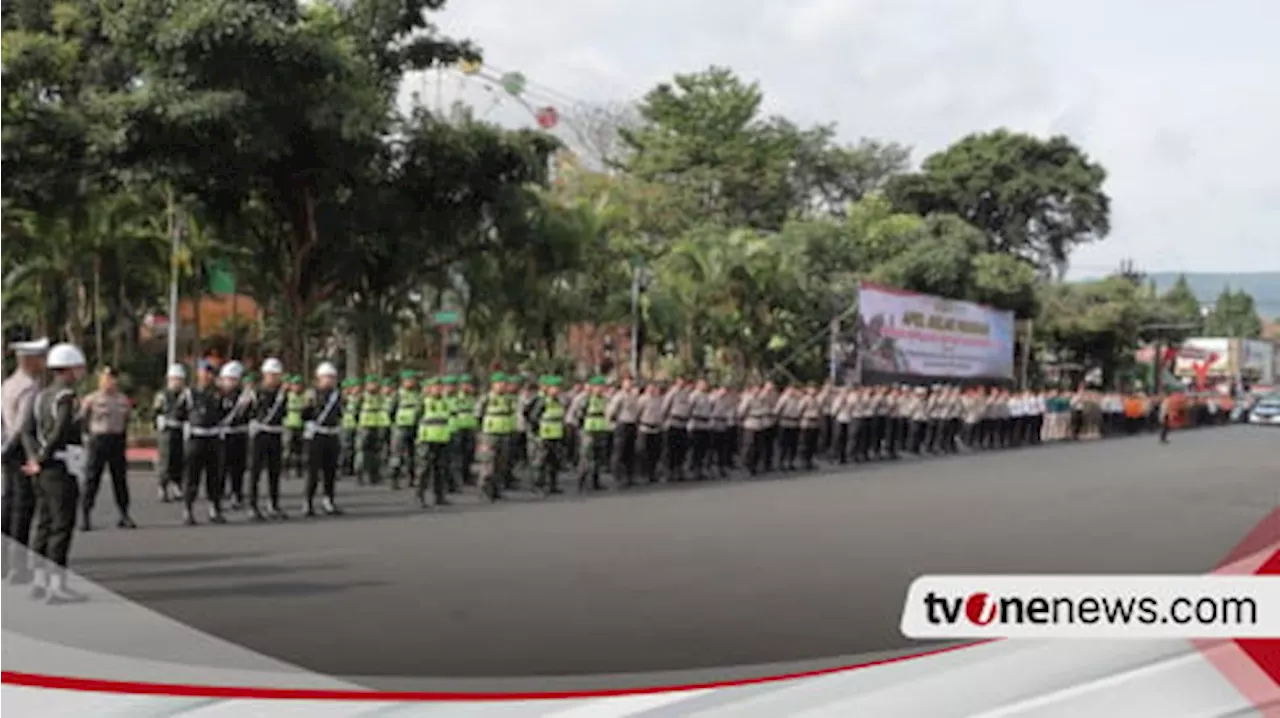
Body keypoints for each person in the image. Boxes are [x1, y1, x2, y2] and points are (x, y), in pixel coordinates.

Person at [20, 342, 89, 603]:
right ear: (69, 369)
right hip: (60, 466)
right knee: (62, 526)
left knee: (44, 524)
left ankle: (39, 581)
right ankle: (56, 585)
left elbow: (26, 430)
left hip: (42, 469)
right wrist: (42, 457)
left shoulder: (40, 395)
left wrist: (33, 456)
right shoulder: (66, 397)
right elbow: (60, 431)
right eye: (78, 367)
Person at [0, 337, 48, 584]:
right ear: (29, 361)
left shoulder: (8, 384)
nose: (43, 362)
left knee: (8, 505)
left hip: (8, 447)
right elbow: (22, 424)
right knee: (22, 508)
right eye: (40, 357)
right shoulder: (30, 386)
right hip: (20, 449)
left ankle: (7, 564)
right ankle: (18, 568)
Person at [79, 366, 135, 531]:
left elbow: (127, 420)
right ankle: (85, 515)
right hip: (98, 440)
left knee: (120, 479)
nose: (109, 381)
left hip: (116, 441)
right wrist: (86, 437)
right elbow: (82, 420)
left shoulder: (123, 400)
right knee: (91, 479)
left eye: (112, 378)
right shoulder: (91, 399)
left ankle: (124, 514)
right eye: (106, 378)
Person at [182, 360, 227, 525]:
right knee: (192, 476)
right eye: (203, 372)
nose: (207, 375)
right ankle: (188, 509)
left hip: (213, 437)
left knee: (214, 476)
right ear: (198, 373)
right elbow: (181, 413)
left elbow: (224, 413)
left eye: (210, 372)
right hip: (196, 437)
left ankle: (214, 508)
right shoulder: (189, 393)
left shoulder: (218, 394)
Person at [248, 358, 288, 520]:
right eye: (271, 375)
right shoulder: (256, 392)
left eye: (277, 375)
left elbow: (283, 413)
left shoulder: (282, 393)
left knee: (274, 471)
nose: (274, 378)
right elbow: (250, 412)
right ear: (265, 375)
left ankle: (273, 504)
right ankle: (253, 505)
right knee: (255, 472)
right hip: (260, 433)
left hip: (275, 433)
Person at [302, 363, 344, 516]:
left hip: (332, 434)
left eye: (332, 377)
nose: (329, 380)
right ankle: (308, 501)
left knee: (330, 470)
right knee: (313, 471)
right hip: (316, 435)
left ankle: (329, 500)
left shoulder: (337, 394)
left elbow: (340, 413)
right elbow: (304, 415)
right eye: (326, 377)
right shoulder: (312, 393)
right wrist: (309, 406)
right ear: (319, 378)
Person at [217, 361, 253, 510]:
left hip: (239, 434)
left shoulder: (245, 396)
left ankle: (236, 494)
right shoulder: (217, 395)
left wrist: (248, 403)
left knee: (238, 467)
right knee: (220, 468)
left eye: (233, 379)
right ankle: (217, 496)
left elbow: (250, 415)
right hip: (222, 435)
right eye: (227, 379)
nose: (229, 382)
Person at [153, 363, 190, 503]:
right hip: (167, 430)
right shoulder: (162, 395)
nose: (176, 382)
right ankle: (162, 485)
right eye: (174, 379)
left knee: (180, 458)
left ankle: (177, 484)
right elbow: (156, 411)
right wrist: (158, 420)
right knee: (166, 458)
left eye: (179, 379)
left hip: (180, 429)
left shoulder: (186, 395)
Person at [415, 377, 453, 508]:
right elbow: (415, 418)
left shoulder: (445, 402)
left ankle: (439, 496)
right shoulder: (423, 402)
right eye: (435, 387)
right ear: (429, 389)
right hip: (426, 439)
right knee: (424, 469)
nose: (438, 389)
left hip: (442, 439)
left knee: (440, 468)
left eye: (440, 387)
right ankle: (420, 495)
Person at [526, 375, 567, 495]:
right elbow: (533, 417)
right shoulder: (541, 401)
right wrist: (537, 433)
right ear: (548, 388)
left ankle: (552, 485)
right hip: (543, 435)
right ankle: (537, 485)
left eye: (558, 387)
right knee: (540, 462)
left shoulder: (558, 401)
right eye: (554, 387)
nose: (557, 390)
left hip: (556, 435)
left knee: (554, 461)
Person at [577, 376, 610, 493]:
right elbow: (579, 414)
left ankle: (595, 481)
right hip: (588, 431)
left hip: (600, 430)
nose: (601, 389)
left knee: (598, 458)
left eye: (602, 387)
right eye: (598, 387)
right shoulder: (586, 399)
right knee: (586, 457)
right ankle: (581, 481)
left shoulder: (604, 399)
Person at [388, 370, 420, 491]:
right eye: (408, 380)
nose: (411, 382)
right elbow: (391, 410)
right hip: (400, 427)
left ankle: (412, 478)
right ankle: (394, 479)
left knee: (413, 454)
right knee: (397, 454)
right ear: (403, 382)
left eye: (413, 380)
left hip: (414, 427)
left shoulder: (418, 395)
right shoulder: (398, 394)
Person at [449, 375, 478, 488]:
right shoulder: (456, 397)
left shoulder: (472, 397)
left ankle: (467, 475)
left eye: (469, 384)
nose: (467, 386)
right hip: (458, 427)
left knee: (469, 453)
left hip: (470, 427)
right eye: (465, 384)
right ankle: (457, 478)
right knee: (457, 454)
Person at [282, 375, 308, 480]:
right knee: (287, 448)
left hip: (300, 425)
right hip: (288, 425)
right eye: (295, 385)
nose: (297, 387)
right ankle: (285, 470)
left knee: (299, 449)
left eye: (299, 385)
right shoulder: (287, 396)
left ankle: (299, 469)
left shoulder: (304, 397)